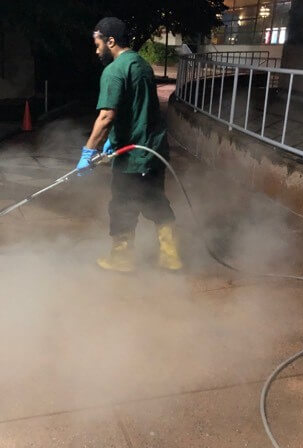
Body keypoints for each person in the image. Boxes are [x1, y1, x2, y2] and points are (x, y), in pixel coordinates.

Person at [76, 17, 183, 272]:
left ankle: (122, 259)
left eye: (98, 43)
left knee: (122, 206)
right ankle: (171, 257)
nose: (97, 49)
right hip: (155, 152)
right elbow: (136, 109)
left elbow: (106, 117)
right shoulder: (141, 64)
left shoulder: (113, 71)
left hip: (134, 158)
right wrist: (114, 141)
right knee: (156, 201)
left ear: (110, 40)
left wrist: (88, 151)